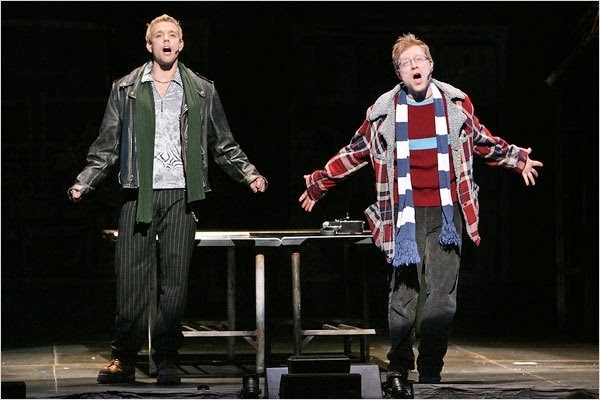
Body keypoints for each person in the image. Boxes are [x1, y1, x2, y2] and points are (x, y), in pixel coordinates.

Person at [298, 33, 542, 397]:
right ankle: (399, 365)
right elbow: (355, 151)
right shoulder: (383, 111)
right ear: (399, 73)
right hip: (403, 215)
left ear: (430, 65)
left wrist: (517, 159)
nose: (414, 66)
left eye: (419, 60)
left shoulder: (455, 104)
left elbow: (481, 139)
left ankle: (430, 368)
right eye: (406, 63)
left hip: (446, 213)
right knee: (404, 295)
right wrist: (320, 181)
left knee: (442, 295)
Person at [68, 14, 267, 386]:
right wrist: (85, 181)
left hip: (182, 195)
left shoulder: (201, 90)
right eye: (159, 35)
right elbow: (107, 146)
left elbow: (222, 143)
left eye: (172, 35)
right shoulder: (126, 88)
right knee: (130, 281)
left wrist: (249, 173)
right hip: (137, 194)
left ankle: (167, 359)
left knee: (174, 283)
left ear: (181, 44)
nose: (166, 40)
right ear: (149, 45)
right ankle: (124, 358)